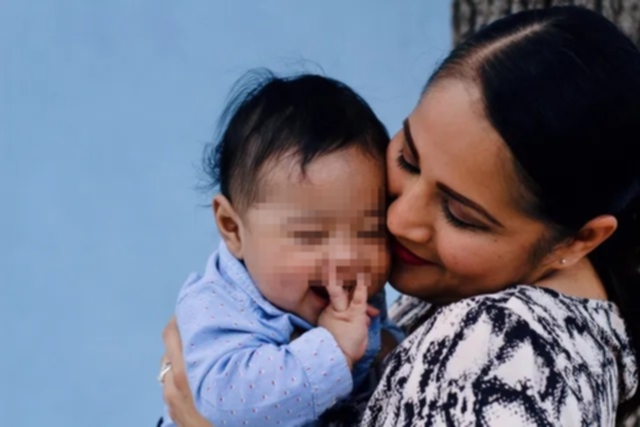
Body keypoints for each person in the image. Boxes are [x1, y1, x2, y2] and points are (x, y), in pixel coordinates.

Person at [159, 6, 640, 426]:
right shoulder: (457, 290)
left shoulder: (515, 355)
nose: (396, 221)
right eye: (408, 158)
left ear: (578, 240)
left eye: (459, 213)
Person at [158, 73, 405, 427]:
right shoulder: (216, 305)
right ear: (232, 228)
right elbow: (224, 404)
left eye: (370, 230)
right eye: (311, 234)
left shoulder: (350, 293)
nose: (346, 259)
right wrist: (332, 348)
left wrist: (387, 349)